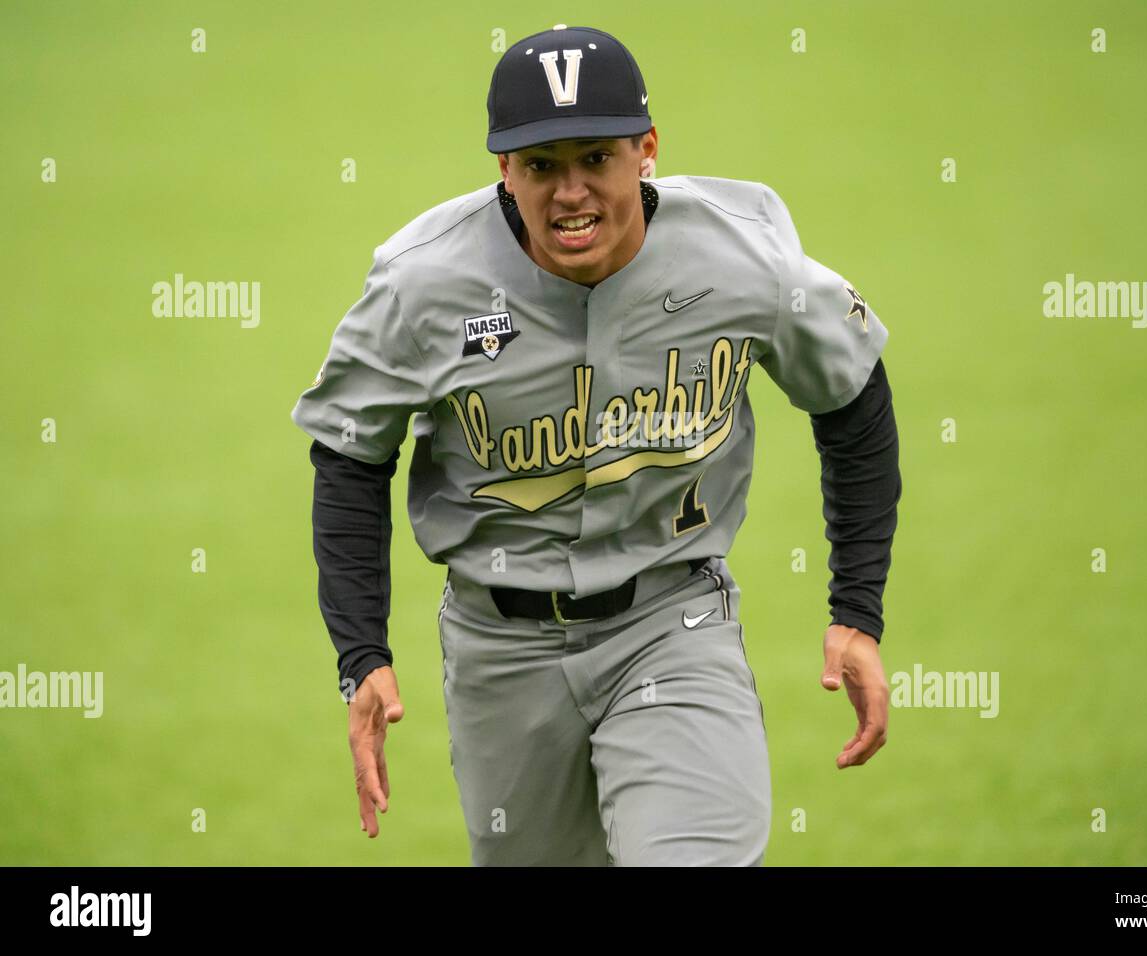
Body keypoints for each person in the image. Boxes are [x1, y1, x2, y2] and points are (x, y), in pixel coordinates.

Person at [291, 23, 901, 866]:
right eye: (540, 165)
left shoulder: (744, 259)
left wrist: (855, 611)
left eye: (596, 158)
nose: (569, 192)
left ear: (646, 150)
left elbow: (853, 393)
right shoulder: (421, 284)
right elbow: (351, 456)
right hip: (499, 654)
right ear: (503, 168)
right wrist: (362, 657)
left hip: (673, 623)